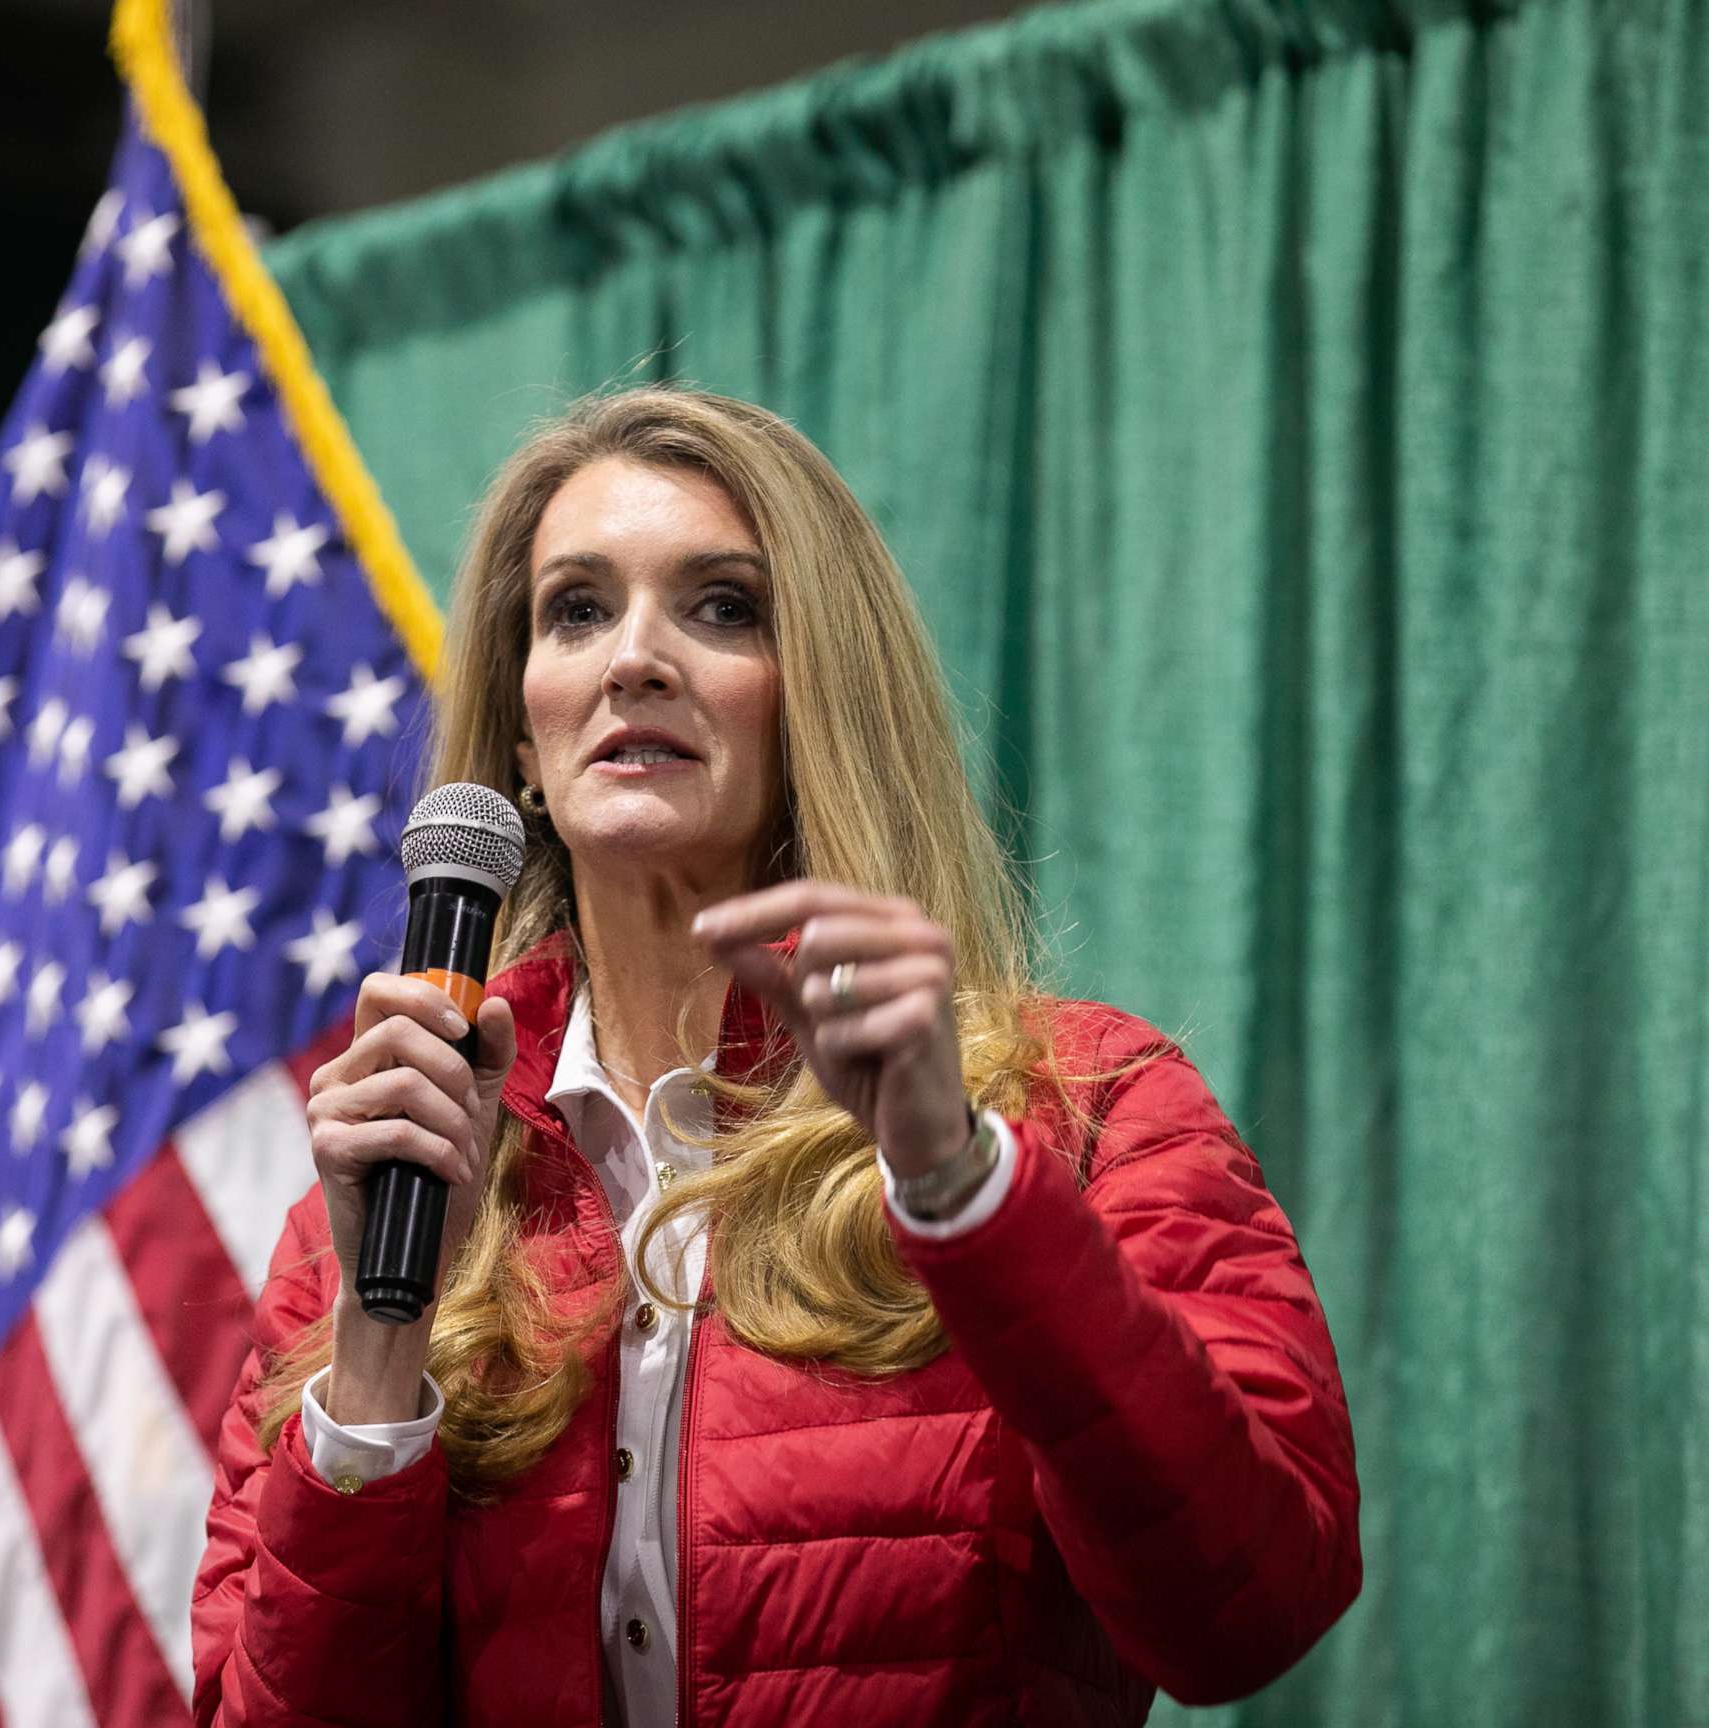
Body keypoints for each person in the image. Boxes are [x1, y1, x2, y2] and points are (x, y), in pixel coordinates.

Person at [190, 387, 1360, 1726]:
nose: (633, 659)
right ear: (521, 734)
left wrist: (963, 1186)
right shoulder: (397, 1173)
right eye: (576, 610)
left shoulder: (1085, 1111)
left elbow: (1251, 1611)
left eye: (721, 607)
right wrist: (383, 1349)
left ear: (818, 696)